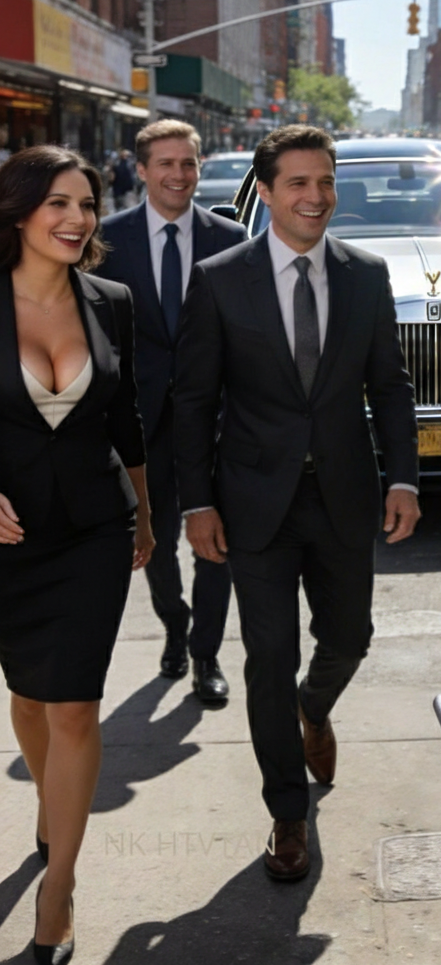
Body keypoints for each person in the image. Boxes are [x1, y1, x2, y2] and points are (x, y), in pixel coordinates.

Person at [174, 124, 421, 881]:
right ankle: (287, 812)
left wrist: (404, 478)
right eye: (298, 185)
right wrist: (196, 503)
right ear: (267, 191)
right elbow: (193, 400)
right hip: (254, 504)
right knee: (267, 658)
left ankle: (315, 707)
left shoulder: (366, 274)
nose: (316, 198)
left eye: (325, 182)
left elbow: (389, 385)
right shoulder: (220, 278)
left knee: (349, 638)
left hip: (345, 495)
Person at [0, 145, 154, 961]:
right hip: (8, 533)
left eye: (87, 204)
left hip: (96, 524)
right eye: (58, 202)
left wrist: (146, 510)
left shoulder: (112, 300)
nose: (76, 218)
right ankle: (52, 812)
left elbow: (124, 414)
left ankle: (58, 885)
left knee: (73, 706)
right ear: (21, 211)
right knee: (27, 697)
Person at [95, 120, 246, 704]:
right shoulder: (108, 239)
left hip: (218, 421)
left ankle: (207, 652)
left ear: (199, 166)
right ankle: (174, 627)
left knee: (216, 544)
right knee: (152, 540)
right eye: (165, 163)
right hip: (142, 420)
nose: (178, 175)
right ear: (142, 170)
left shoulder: (231, 237)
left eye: (188, 163)